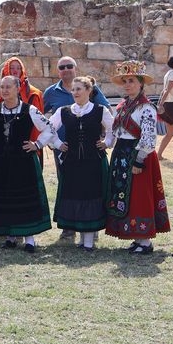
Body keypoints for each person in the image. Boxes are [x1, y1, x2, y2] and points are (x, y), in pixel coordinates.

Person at [0, 75, 60, 253]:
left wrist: (37, 144)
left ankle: (30, 239)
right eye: (2, 87)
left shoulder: (29, 110)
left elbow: (50, 129)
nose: (5, 90)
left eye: (9, 87)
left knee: (24, 198)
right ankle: (10, 237)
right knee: (6, 198)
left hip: (22, 161)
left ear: (17, 88)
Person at [104, 61, 171, 254]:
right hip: (122, 154)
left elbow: (149, 137)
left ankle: (145, 240)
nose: (127, 84)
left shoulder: (146, 108)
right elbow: (116, 132)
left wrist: (139, 159)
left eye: (131, 80)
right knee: (127, 196)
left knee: (140, 196)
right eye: (125, 81)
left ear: (141, 83)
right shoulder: (123, 106)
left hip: (138, 155)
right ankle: (136, 237)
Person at [42, 56, 110, 241]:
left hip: (92, 155)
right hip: (67, 153)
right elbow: (47, 123)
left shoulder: (95, 99)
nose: (66, 69)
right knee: (70, 188)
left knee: (91, 190)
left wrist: (107, 140)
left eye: (69, 66)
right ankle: (70, 227)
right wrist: (55, 143)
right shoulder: (52, 95)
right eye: (62, 67)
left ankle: (91, 227)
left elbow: (109, 118)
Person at [0, 57, 45, 165]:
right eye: (12, 67)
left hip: (26, 146)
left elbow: (38, 126)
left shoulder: (33, 93)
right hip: (1, 148)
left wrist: (36, 145)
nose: (15, 71)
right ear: (6, 70)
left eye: (18, 68)